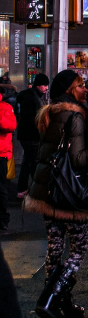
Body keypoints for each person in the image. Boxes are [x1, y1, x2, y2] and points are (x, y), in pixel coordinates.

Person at [24, 70, 88, 318]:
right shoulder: (76, 116)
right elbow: (79, 160)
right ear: (71, 90)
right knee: (78, 249)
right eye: (80, 85)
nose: (85, 89)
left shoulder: (51, 113)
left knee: (55, 248)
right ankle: (51, 298)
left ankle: (62, 303)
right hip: (69, 193)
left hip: (47, 190)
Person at [15, 73, 49, 199]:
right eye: (44, 85)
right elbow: (31, 118)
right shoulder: (32, 98)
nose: (46, 88)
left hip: (27, 135)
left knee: (27, 162)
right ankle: (37, 192)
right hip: (31, 135)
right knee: (33, 163)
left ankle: (22, 189)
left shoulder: (31, 96)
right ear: (38, 85)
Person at [0, 87, 17, 230]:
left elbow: (10, 126)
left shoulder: (5, 108)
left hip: (1, 153)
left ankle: (2, 219)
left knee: (1, 187)